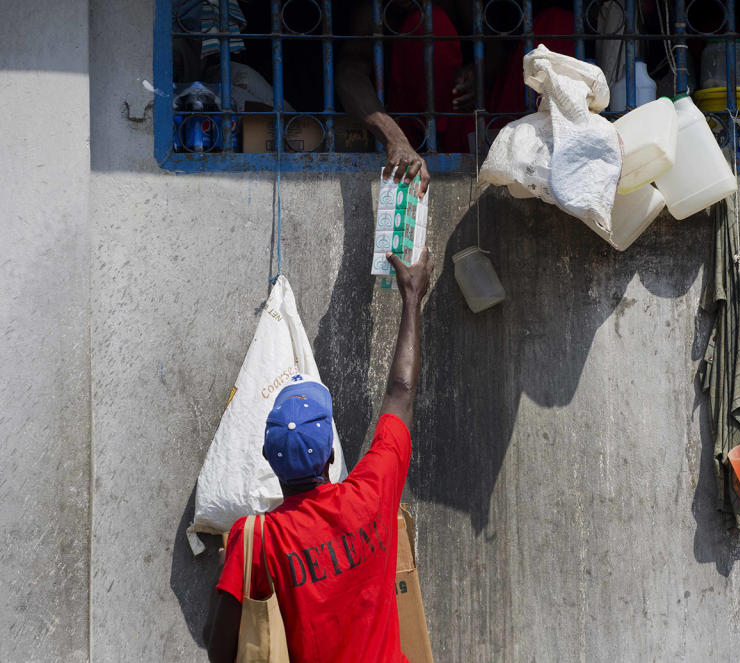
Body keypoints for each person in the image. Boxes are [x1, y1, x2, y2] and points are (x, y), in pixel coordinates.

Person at [207, 247, 435, 663]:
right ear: (330, 454)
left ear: (268, 458)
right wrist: (411, 299)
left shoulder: (258, 541)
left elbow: (219, 649)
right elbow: (401, 393)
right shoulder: (370, 493)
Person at [335, 1, 575, 197]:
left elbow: (495, 49)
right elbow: (348, 75)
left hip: (481, 120)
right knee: (428, 23)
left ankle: (544, 143)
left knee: (557, 22)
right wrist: (395, 141)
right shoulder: (372, 11)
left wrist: (479, 73)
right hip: (416, 132)